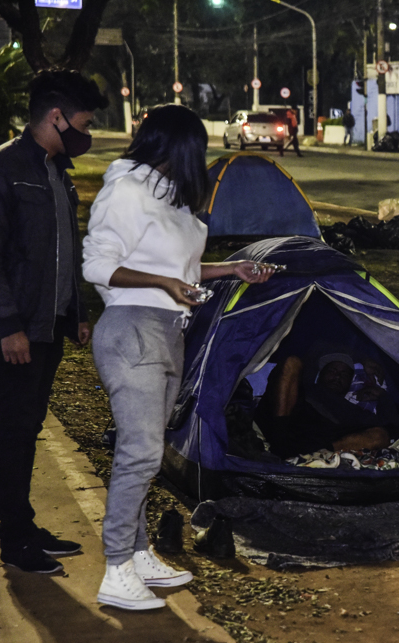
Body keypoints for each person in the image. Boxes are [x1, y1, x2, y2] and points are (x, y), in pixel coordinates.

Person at [82, 104, 274, 611]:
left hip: (170, 331)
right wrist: (164, 283)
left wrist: (231, 269)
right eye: (200, 147)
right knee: (141, 452)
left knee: (150, 451)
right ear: (181, 146)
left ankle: (139, 551)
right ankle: (116, 566)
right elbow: (98, 265)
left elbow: (179, 270)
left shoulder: (168, 196)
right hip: (132, 330)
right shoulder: (125, 190)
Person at [0, 69, 107, 574]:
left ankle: (24, 525)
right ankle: (14, 539)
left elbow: (64, 250)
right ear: (55, 115)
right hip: (18, 330)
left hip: (48, 325)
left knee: (28, 428)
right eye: (84, 122)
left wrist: (77, 312)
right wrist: (7, 327)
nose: (86, 133)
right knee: (15, 429)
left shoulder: (54, 170)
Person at [253, 351, 399, 457]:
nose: (338, 376)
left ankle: (313, 456)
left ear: (350, 382)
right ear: (320, 374)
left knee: (380, 436)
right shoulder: (307, 388)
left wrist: (382, 396)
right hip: (288, 424)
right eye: (333, 370)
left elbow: (391, 427)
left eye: (344, 374)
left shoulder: (352, 410)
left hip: (320, 442)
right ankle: (279, 443)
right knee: (292, 362)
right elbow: (316, 344)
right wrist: (362, 356)